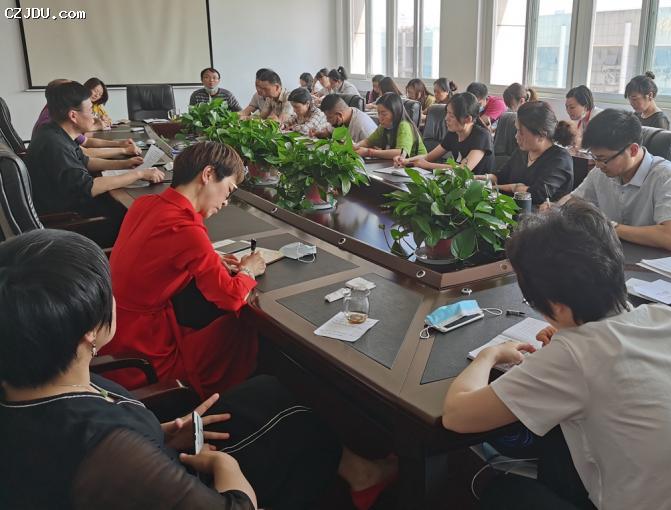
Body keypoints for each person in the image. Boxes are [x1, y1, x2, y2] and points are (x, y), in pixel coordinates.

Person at [0, 228, 398, 510]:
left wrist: (161, 432)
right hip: (189, 476)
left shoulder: (36, 381)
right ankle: (358, 479)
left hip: (156, 446)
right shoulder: (110, 456)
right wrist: (225, 466)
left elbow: (98, 418)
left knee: (267, 391)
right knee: (302, 426)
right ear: (89, 333)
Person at [442, 199, 671, 510]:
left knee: (504, 492)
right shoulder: (665, 317)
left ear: (558, 307)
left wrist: (490, 354)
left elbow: (457, 415)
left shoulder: (573, 355)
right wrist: (569, 337)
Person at [100, 141, 265, 398]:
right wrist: (248, 270)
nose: (225, 201)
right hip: (141, 351)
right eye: (228, 190)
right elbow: (230, 297)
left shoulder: (145, 203)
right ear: (208, 174)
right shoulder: (185, 228)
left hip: (111, 331)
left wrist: (209, 256)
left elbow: (160, 253)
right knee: (240, 325)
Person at [26, 82, 163, 226]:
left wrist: (125, 163)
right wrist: (139, 174)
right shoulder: (56, 145)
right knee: (140, 213)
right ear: (73, 116)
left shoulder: (55, 132)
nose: (94, 117)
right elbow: (89, 187)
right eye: (91, 111)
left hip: (70, 206)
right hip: (71, 221)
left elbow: (86, 161)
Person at [552, 109, 671, 251]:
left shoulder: (665, 176)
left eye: (603, 159)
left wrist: (610, 227)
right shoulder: (601, 172)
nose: (598, 165)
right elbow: (575, 199)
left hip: (650, 261)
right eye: (595, 157)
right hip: (612, 254)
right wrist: (556, 208)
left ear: (633, 150)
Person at [483, 101, 573, 205]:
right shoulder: (523, 151)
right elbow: (501, 177)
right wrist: (479, 179)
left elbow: (537, 194)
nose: (516, 136)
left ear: (541, 135)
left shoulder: (560, 159)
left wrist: (511, 188)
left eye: (520, 132)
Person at [32, 78, 141, 159]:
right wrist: (123, 150)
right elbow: (84, 153)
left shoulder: (57, 113)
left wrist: (119, 144)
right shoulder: (52, 123)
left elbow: (85, 142)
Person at [395, 92, 494, 175]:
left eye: (451, 115)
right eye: (447, 113)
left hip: (478, 187)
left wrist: (428, 165)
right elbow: (427, 157)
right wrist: (406, 161)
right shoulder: (453, 133)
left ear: (468, 119)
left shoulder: (482, 136)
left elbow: (463, 170)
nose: (446, 118)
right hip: (456, 184)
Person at [354, 92, 426, 160]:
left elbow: (401, 153)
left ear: (395, 112)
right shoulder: (384, 127)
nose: (380, 118)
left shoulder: (404, 126)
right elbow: (368, 142)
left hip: (418, 167)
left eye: (384, 114)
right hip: (397, 165)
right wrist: (354, 147)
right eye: (378, 113)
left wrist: (370, 152)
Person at [494, 83, 537, 167]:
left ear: (522, 101)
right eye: (508, 107)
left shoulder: (529, 117)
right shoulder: (510, 115)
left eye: (511, 106)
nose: (510, 109)